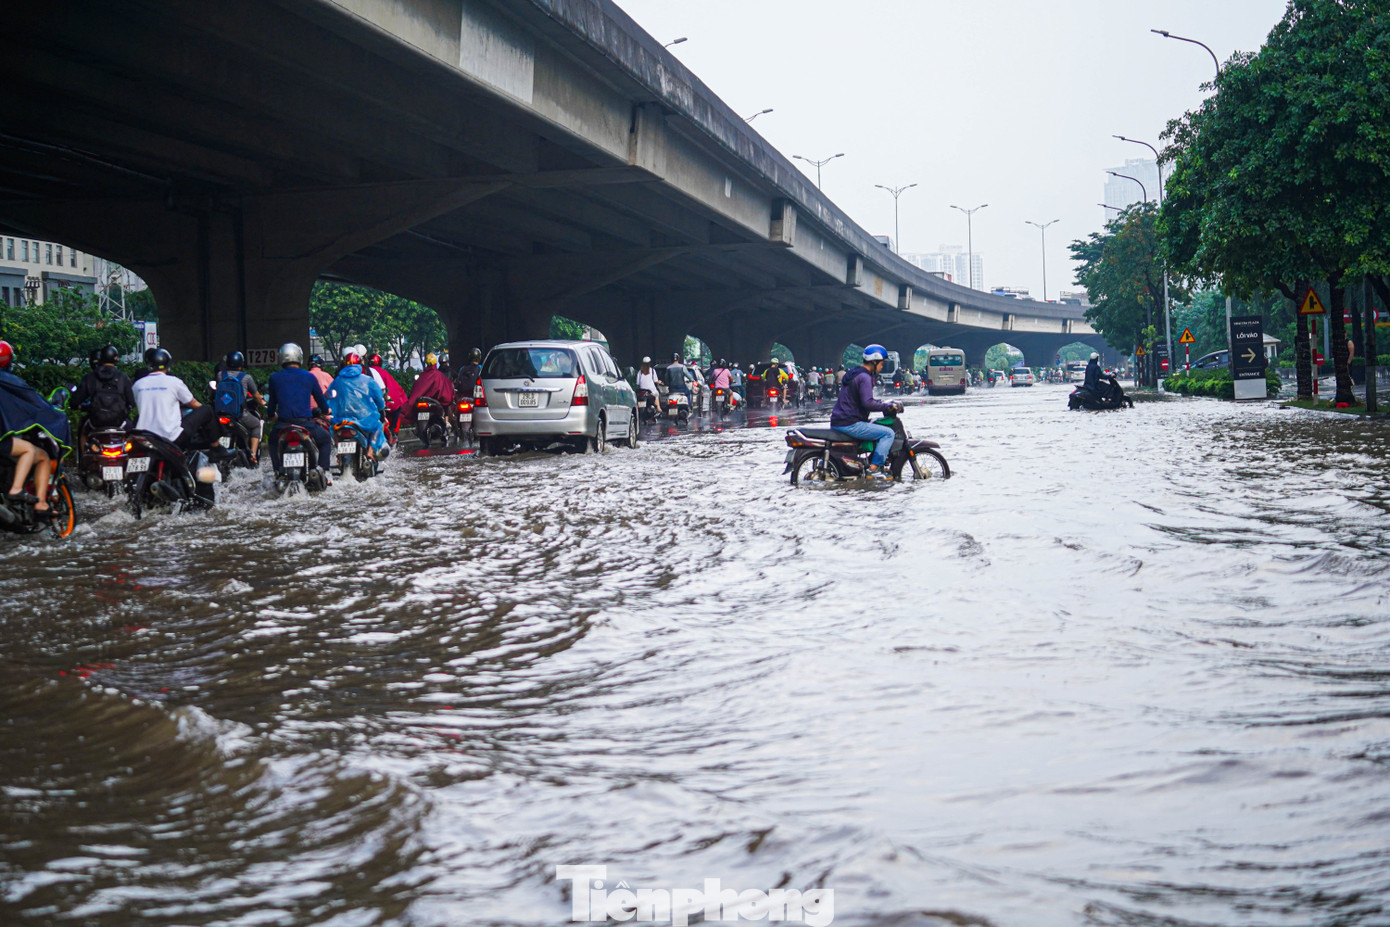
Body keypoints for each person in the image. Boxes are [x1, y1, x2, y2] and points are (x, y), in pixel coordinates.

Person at [0, 340, 71, 516]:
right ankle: (32, 499)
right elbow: (37, 405)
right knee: (38, 455)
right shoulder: (11, 383)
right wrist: (57, 416)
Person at [829, 344, 903, 480]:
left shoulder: (855, 373)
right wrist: (886, 406)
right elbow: (867, 403)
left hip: (840, 420)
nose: (882, 367)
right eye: (881, 364)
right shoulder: (865, 377)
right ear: (874, 362)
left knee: (876, 425)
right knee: (888, 433)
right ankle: (874, 468)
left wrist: (881, 404)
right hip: (850, 423)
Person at [265, 343, 333, 479]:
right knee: (326, 440)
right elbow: (322, 403)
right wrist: (326, 410)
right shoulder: (309, 377)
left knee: (272, 442)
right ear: (299, 357)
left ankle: (278, 471)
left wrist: (272, 416)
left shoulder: (274, 378)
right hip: (306, 425)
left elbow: (271, 407)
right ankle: (323, 472)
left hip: (283, 425)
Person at [132, 348, 214, 448]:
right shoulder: (174, 382)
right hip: (172, 437)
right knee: (207, 410)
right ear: (168, 365)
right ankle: (216, 447)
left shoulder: (138, 385)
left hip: (143, 437)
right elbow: (193, 404)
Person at [327, 352, 389, 459]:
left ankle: (338, 453)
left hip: (341, 420)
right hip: (365, 420)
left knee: (333, 429)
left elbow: (328, 398)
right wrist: (381, 407)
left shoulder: (337, 381)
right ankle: (370, 452)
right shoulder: (368, 380)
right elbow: (379, 399)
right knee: (378, 425)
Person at [71, 343, 136, 440]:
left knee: (83, 432)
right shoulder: (123, 377)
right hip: (120, 423)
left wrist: (80, 406)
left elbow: (75, 401)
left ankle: (82, 454)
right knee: (132, 435)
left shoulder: (90, 377)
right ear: (116, 359)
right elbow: (132, 402)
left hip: (95, 424)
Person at [215, 351, 265, 464]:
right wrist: (264, 403)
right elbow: (256, 396)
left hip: (221, 413)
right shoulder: (246, 378)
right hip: (239, 414)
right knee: (257, 424)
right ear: (241, 364)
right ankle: (252, 455)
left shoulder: (220, 375)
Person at [404, 353, 454, 423]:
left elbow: (416, 390)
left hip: (429, 402)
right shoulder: (438, 375)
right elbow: (446, 395)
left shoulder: (423, 375)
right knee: (445, 402)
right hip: (433, 401)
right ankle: (446, 421)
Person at [366, 354, 407, 435]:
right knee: (397, 408)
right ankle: (393, 430)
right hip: (381, 403)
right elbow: (395, 390)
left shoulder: (364, 371)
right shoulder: (382, 372)